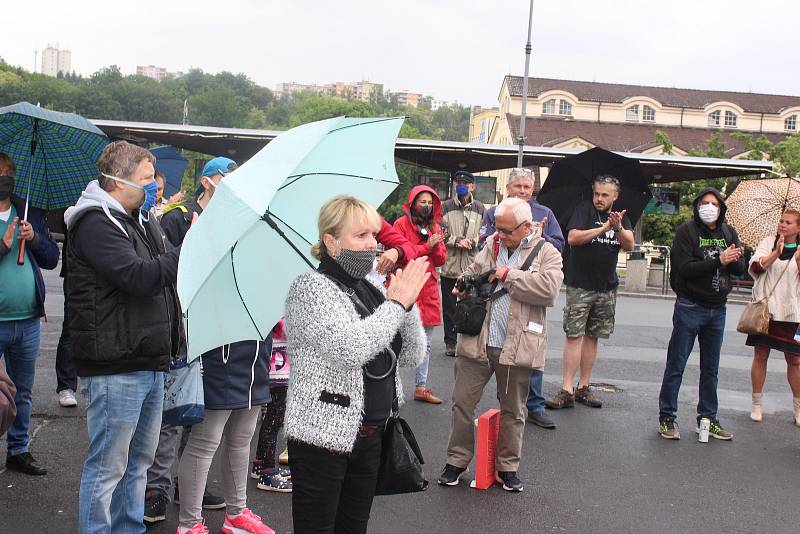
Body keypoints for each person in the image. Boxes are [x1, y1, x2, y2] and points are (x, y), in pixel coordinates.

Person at [284, 195, 428, 534]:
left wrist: (407, 306)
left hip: (371, 436)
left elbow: (411, 355)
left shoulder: (370, 287)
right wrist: (395, 306)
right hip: (322, 439)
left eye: (373, 236)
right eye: (360, 236)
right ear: (332, 242)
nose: (372, 245)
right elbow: (348, 348)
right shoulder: (310, 288)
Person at [64, 141, 181, 533]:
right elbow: (139, 276)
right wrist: (189, 249)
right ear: (117, 181)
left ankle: (130, 528)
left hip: (147, 360)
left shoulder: (140, 218)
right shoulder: (95, 222)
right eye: (147, 179)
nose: (155, 187)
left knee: (138, 466)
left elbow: (161, 276)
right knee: (107, 468)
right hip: (116, 363)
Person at [438, 197, 563, 492]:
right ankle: (456, 461)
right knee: (462, 404)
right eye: (498, 229)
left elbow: (549, 291)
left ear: (527, 226)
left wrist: (509, 275)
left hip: (516, 344)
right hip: (477, 340)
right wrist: (464, 282)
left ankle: (508, 467)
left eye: (507, 231)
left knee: (514, 410)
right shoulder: (492, 243)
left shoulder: (548, 252)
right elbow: (474, 270)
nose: (501, 236)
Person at [144, 157, 234, 524]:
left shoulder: (230, 221)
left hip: (211, 326)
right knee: (173, 414)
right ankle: (157, 490)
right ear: (208, 181)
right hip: (178, 327)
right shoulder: (177, 217)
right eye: (225, 177)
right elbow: (167, 269)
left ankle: (185, 483)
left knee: (198, 410)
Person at [657, 188, 746, 440]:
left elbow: (740, 268)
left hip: (717, 309)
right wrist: (720, 260)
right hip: (690, 306)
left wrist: (734, 258)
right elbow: (685, 269)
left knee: (711, 368)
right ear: (697, 206)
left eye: (714, 203)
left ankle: (708, 418)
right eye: (704, 203)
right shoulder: (687, 232)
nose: (709, 207)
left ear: (721, 208)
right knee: (677, 363)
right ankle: (667, 417)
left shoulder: (728, 232)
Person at [480, 167, 565, 429]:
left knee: (529, 350)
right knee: (497, 351)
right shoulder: (496, 212)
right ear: (509, 188)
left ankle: (535, 406)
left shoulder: (545, 214)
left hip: (530, 291)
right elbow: (485, 240)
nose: (523, 192)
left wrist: (537, 236)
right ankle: (505, 402)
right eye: (518, 187)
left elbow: (557, 244)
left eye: (528, 187)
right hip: (499, 295)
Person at [546, 175, 634, 411]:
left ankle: (584, 386)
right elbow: (573, 238)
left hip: (606, 286)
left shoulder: (622, 216)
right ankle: (567, 388)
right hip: (580, 284)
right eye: (597, 193)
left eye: (605, 195)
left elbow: (630, 245)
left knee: (593, 337)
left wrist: (618, 228)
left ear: (615, 196)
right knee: (574, 335)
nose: (599, 198)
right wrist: (604, 228)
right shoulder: (583, 209)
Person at [176, 337, 274, 534]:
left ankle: (236, 514)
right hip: (220, 350)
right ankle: (189, 524)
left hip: (257, 353)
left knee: (242, 437)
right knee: (205, 440)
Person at [0, 152, 59, 476]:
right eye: (0, 172)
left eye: (9, 171)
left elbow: (51, 258)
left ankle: (19, 450)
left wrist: (33, 238)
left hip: (27, 321)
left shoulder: (28, 212)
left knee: (22, 391)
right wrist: (3, 245)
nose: (5, 177)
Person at [393, 185, 447, 404]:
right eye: (422, 201)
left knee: (425, 342)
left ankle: (421, 387)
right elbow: (402, 255)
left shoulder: (435, 226)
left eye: (429, 202)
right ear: (412, 202)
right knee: (396, 341)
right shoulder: (400, 224)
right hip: (406, 287)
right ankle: (393, 388)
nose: (426, 206)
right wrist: (427, 246)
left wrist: (434, 246)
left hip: (429, 288)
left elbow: (441, 259)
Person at [746, 209, 800, 424]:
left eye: (788, 222)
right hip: (766, 310)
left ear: (798, 227)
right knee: (761, 355)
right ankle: (756, 404)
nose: (783, 225)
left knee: (795, 360)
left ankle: (797, 408)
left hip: (793, 311)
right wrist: (775, 253)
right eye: (781, 221)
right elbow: (756, 268)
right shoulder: (768, 242)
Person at [441, 171, 486, 357]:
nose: (461, 185)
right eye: (458, 182)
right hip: (449, 265)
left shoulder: (480, 208)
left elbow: (484, 232)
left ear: (472, 187)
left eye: (465, 183)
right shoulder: (446, 206)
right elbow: (440, 232)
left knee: (471, 304)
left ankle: (468, 342)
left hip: (471, 264)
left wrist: (474, 241)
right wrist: (457, 240)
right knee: (450, 306)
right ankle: (450, 342)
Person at [251, 319, 292, 492]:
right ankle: (267, 471)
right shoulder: (274, 306)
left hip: (276, 362)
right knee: (274, 420)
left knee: (272, 418)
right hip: (276, 366)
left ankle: (261, 463)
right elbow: (284, 328)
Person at [159, 157, 237, 245]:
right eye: (225, 181)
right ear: (206, 182)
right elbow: (163, 256)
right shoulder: (176, 218)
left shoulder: (231, 219)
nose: (230, 188)